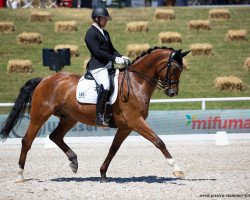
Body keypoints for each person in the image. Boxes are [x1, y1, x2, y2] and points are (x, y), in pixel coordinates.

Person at [84, 7, 130, 126]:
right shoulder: (90, 33)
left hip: (108, 65)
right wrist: (115, 59)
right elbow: (97, 52)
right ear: (97, 18)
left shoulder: (105, 33)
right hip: (97, 66)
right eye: (105, 19)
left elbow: (111, 50)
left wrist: (122, 56)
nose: (106, 21)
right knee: (105, 85)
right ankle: (99, 116)